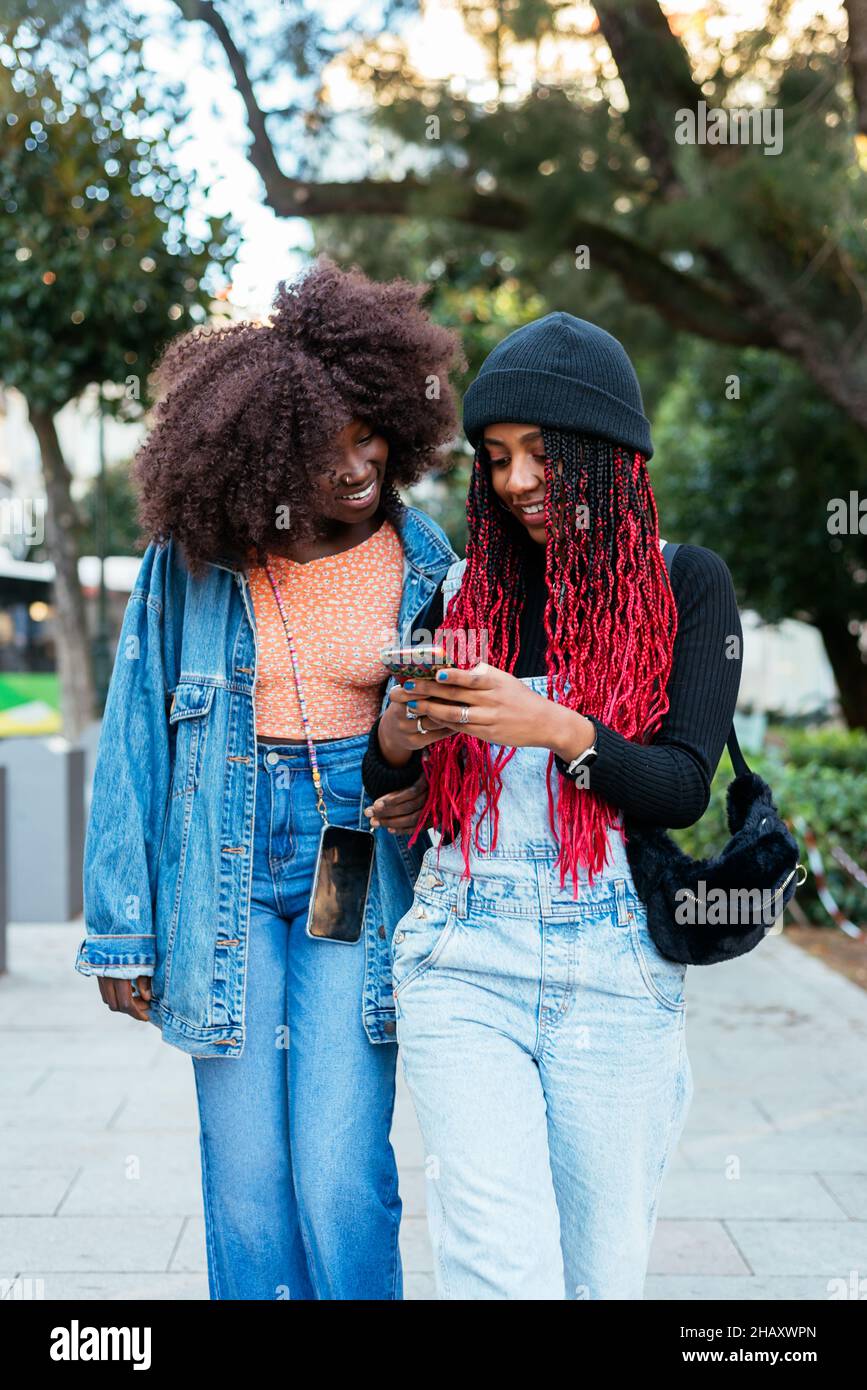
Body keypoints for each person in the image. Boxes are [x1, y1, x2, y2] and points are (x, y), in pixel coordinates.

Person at [74, 257, 462, 1300]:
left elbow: (463, 734)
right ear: (262, 447)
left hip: (354, 848)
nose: (355, 462)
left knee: (339, 1170)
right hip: (222, 860)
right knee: (248, 1176)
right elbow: (133, 743)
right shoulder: (196, 559)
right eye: (321, 442)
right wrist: (123, 926)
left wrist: (430, 783)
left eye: (367, 430)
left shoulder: (426, 562)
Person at [362, 311, 743, 1299]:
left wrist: (551, 722)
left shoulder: (683, 585)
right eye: (496, 458)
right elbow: (397, 790)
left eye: (541, 452)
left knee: (599, 1281)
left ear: (608, 452)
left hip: (618, 966)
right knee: (498, 1271)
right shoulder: (456, 595)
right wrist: (399, 740)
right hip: (463, 955)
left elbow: (683, 784)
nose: (516, 480)